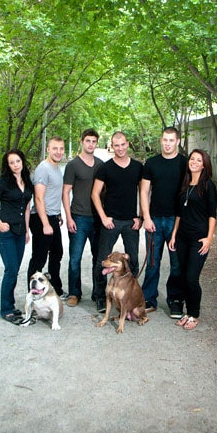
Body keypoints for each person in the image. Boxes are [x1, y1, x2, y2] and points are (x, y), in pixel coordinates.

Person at [91, 131, 143, 312]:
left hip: (131, 222)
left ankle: (128, 295)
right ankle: (99, 297)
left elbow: (145, 193)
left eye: (122, 144)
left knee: (133, 260)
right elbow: (95, 194)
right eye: (116, 145)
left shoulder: (138, 167)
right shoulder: (105, 168)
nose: (120, 148)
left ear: (127, 144)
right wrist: (103, 217)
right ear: (112, 147)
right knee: (101, 261)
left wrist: (141, 216)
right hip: (111, 222)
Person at [140, 126, 187, 318]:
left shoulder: (184, 163)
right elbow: (144, 192)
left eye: (171, 140)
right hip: (155, 221)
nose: (167, 144)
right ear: (161, 140)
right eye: (165, 140)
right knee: (152, 263)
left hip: (176, 221)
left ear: (177, 142)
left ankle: (175, 300)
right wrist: (147, 217)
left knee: (177, 264)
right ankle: (148, 298)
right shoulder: (151, 163)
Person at [169, 148, 217, 330]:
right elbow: (179, 214)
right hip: (182, 237)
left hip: (199, 239)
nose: (194, 162)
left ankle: (194, 314)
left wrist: (209, 238)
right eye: (192, 159)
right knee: (182, 276)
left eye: (198, 160)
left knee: (191, 278)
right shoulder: (185, 184)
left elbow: (213, 215)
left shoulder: (208, 186)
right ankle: (187, 313)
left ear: (204, 164)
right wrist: (173, 235)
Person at [0, 149, 33, 324]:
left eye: (17, 161)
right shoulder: (2, 182)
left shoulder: (27, 181)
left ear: (22, 162)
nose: (15, 165)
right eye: (11, 162)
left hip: (20, 232)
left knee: (14, 270)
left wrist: (27, 230)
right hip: (5, 233)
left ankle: (11, 305)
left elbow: (27, 208)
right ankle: (6, 308)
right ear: (8, 165)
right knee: (11, 270)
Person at [62, 129, 103, 307]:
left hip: (97, 219)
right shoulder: (73, 165)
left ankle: (98, 293)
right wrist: (69, 218)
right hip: (78, 217)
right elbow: (65, 193)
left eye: (94, 141)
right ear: (81, 142)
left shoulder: (101, 165)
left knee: (99, 258)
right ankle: (74, 293)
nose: (91, 144)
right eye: (88, 141)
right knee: (75, 258)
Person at [27, 136, 65, 297]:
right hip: (42, 219)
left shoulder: (56, 167)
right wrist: (45, 223)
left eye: (61, 149)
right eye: (55, 148)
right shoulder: (43, 168)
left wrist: (58, 214)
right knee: (39, 258)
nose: (58, 152)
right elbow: (38, 198)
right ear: (48, 149)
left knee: (57, 253)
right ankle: (32, 293)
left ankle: (54, 288)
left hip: (53, 217)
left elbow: (53, 194)